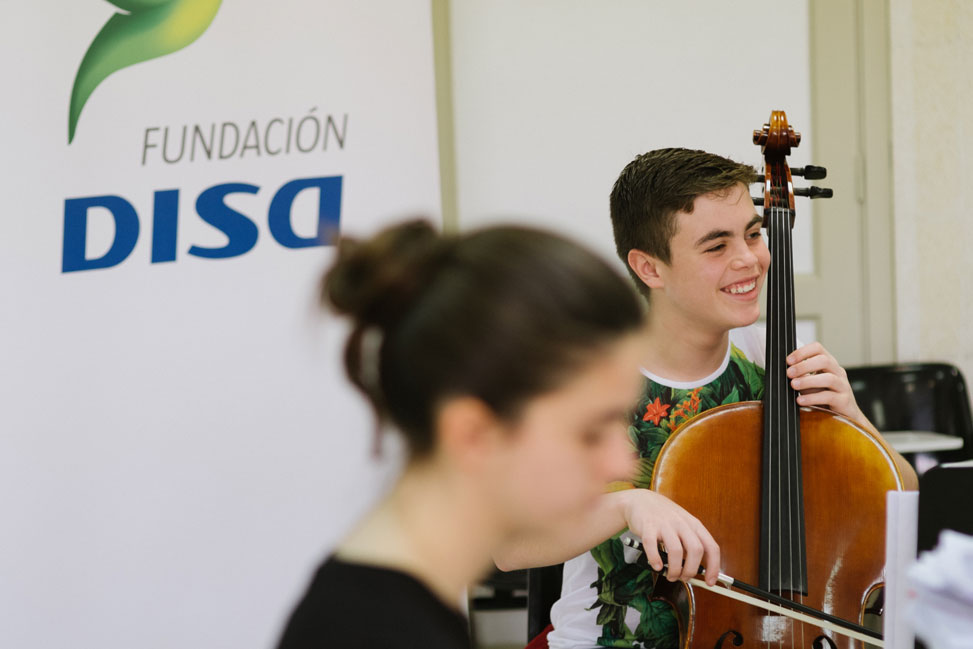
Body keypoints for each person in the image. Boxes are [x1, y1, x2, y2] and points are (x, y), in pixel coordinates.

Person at [495, 148, 914, 649]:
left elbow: (901, 502)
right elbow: (508, 546)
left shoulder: (774, 358)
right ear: (650, 268)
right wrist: (629, 504)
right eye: (716, 246)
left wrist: (854, 419)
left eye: (754, 234)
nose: (752, 259)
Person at [275, 219, 713, 649]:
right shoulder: (373, 633)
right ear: (473, 435)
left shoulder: (388, 605)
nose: (621, 463)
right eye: (591, 432)